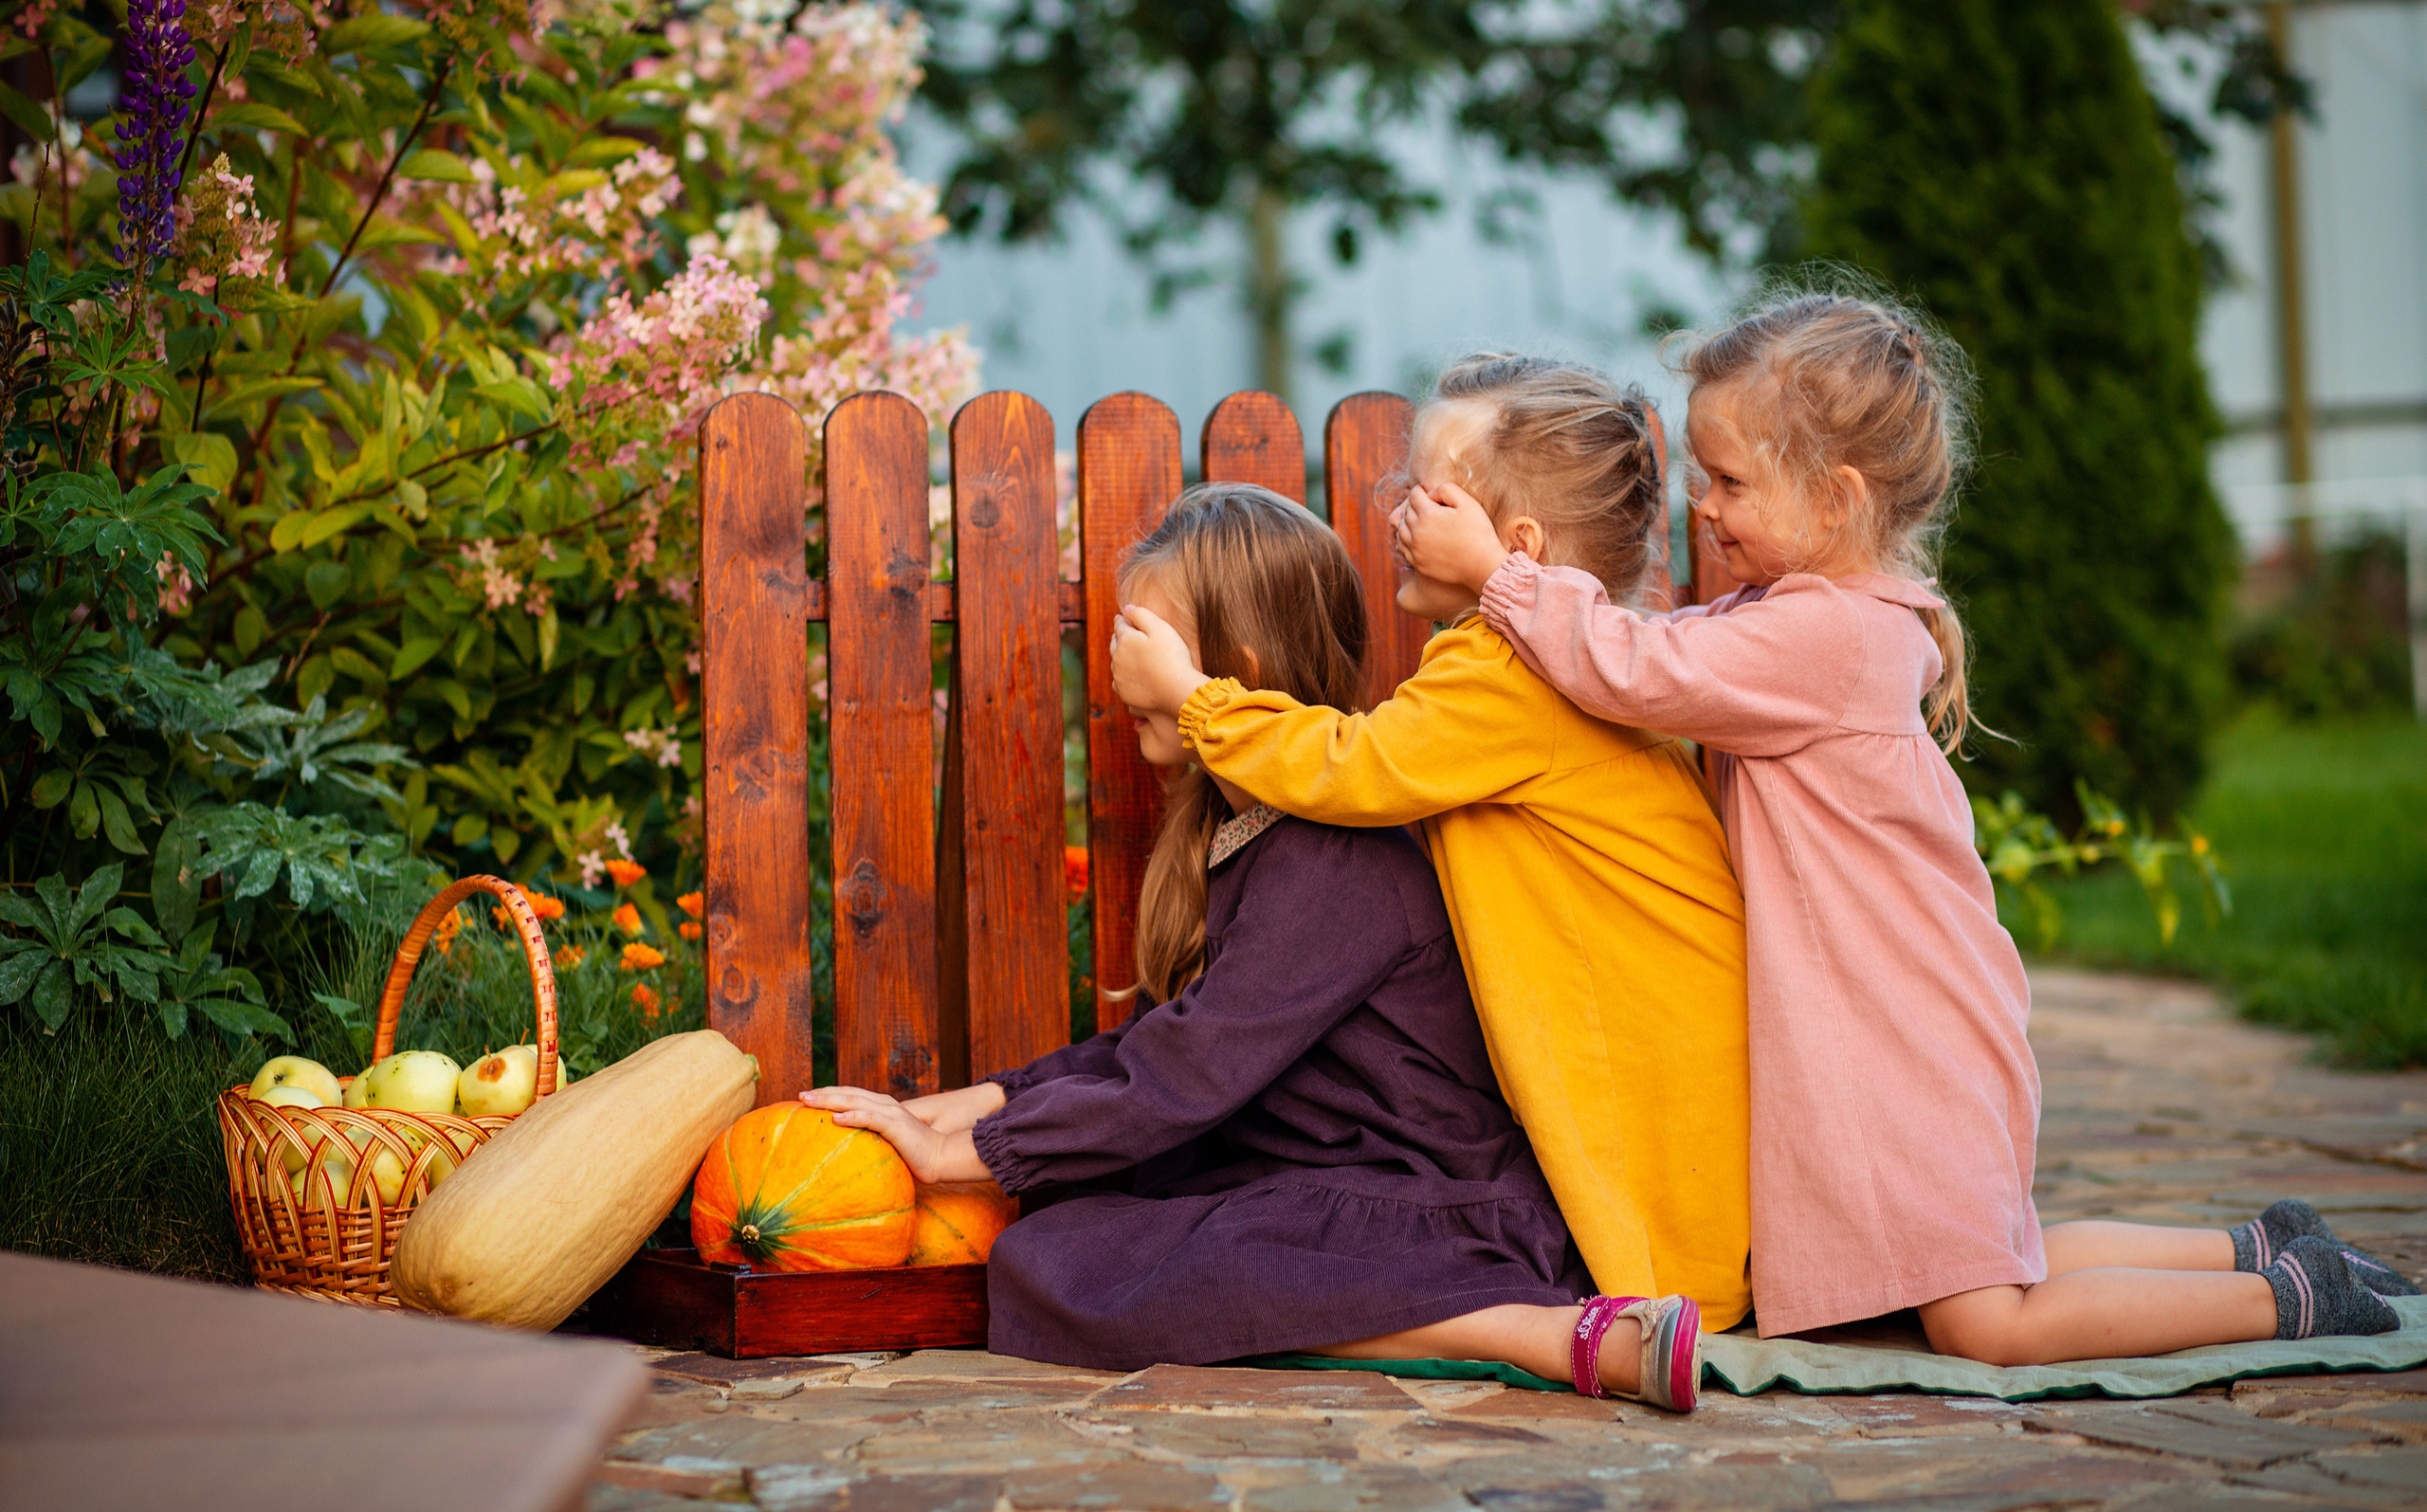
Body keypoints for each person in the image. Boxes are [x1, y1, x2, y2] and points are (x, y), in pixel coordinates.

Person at [1393, 288, 2415, 1360]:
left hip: (1904, 1029)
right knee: (1987, 1255)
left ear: (1834, 500)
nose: (1703, 505)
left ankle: (2283, 1298)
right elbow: (1657, 653)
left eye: (1731, 481)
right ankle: (2258, 1247)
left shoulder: (1825, 637)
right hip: (1896, 1012)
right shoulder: (1800, 618)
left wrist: (1502, 579)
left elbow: (1639, 666)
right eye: (1702, 475)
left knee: (1987, 1321)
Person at [804, 484, 1701, 1411]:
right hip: (1325, 1178)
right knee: (1061, 1240)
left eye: (1144, 637)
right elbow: (1154, 1045)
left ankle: (1548, 1333)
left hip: (1441, 1205)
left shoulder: (1333, 854)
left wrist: (963, 1155)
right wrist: (963, 1111)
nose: (1117, 663)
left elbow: (1186, 1073)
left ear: (1238, 670)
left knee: (1076, 1266)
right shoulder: (1250, 835)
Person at [1106, 359, 1755, 1378]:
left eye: (1431, 496)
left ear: (1517, 550)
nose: (1399, 512)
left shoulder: (1505, 669)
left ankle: (1613, 1322)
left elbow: (1350, 766)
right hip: (1674, 1042)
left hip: (1646, 1065)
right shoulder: (1561, 659)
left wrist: (1195, 698)